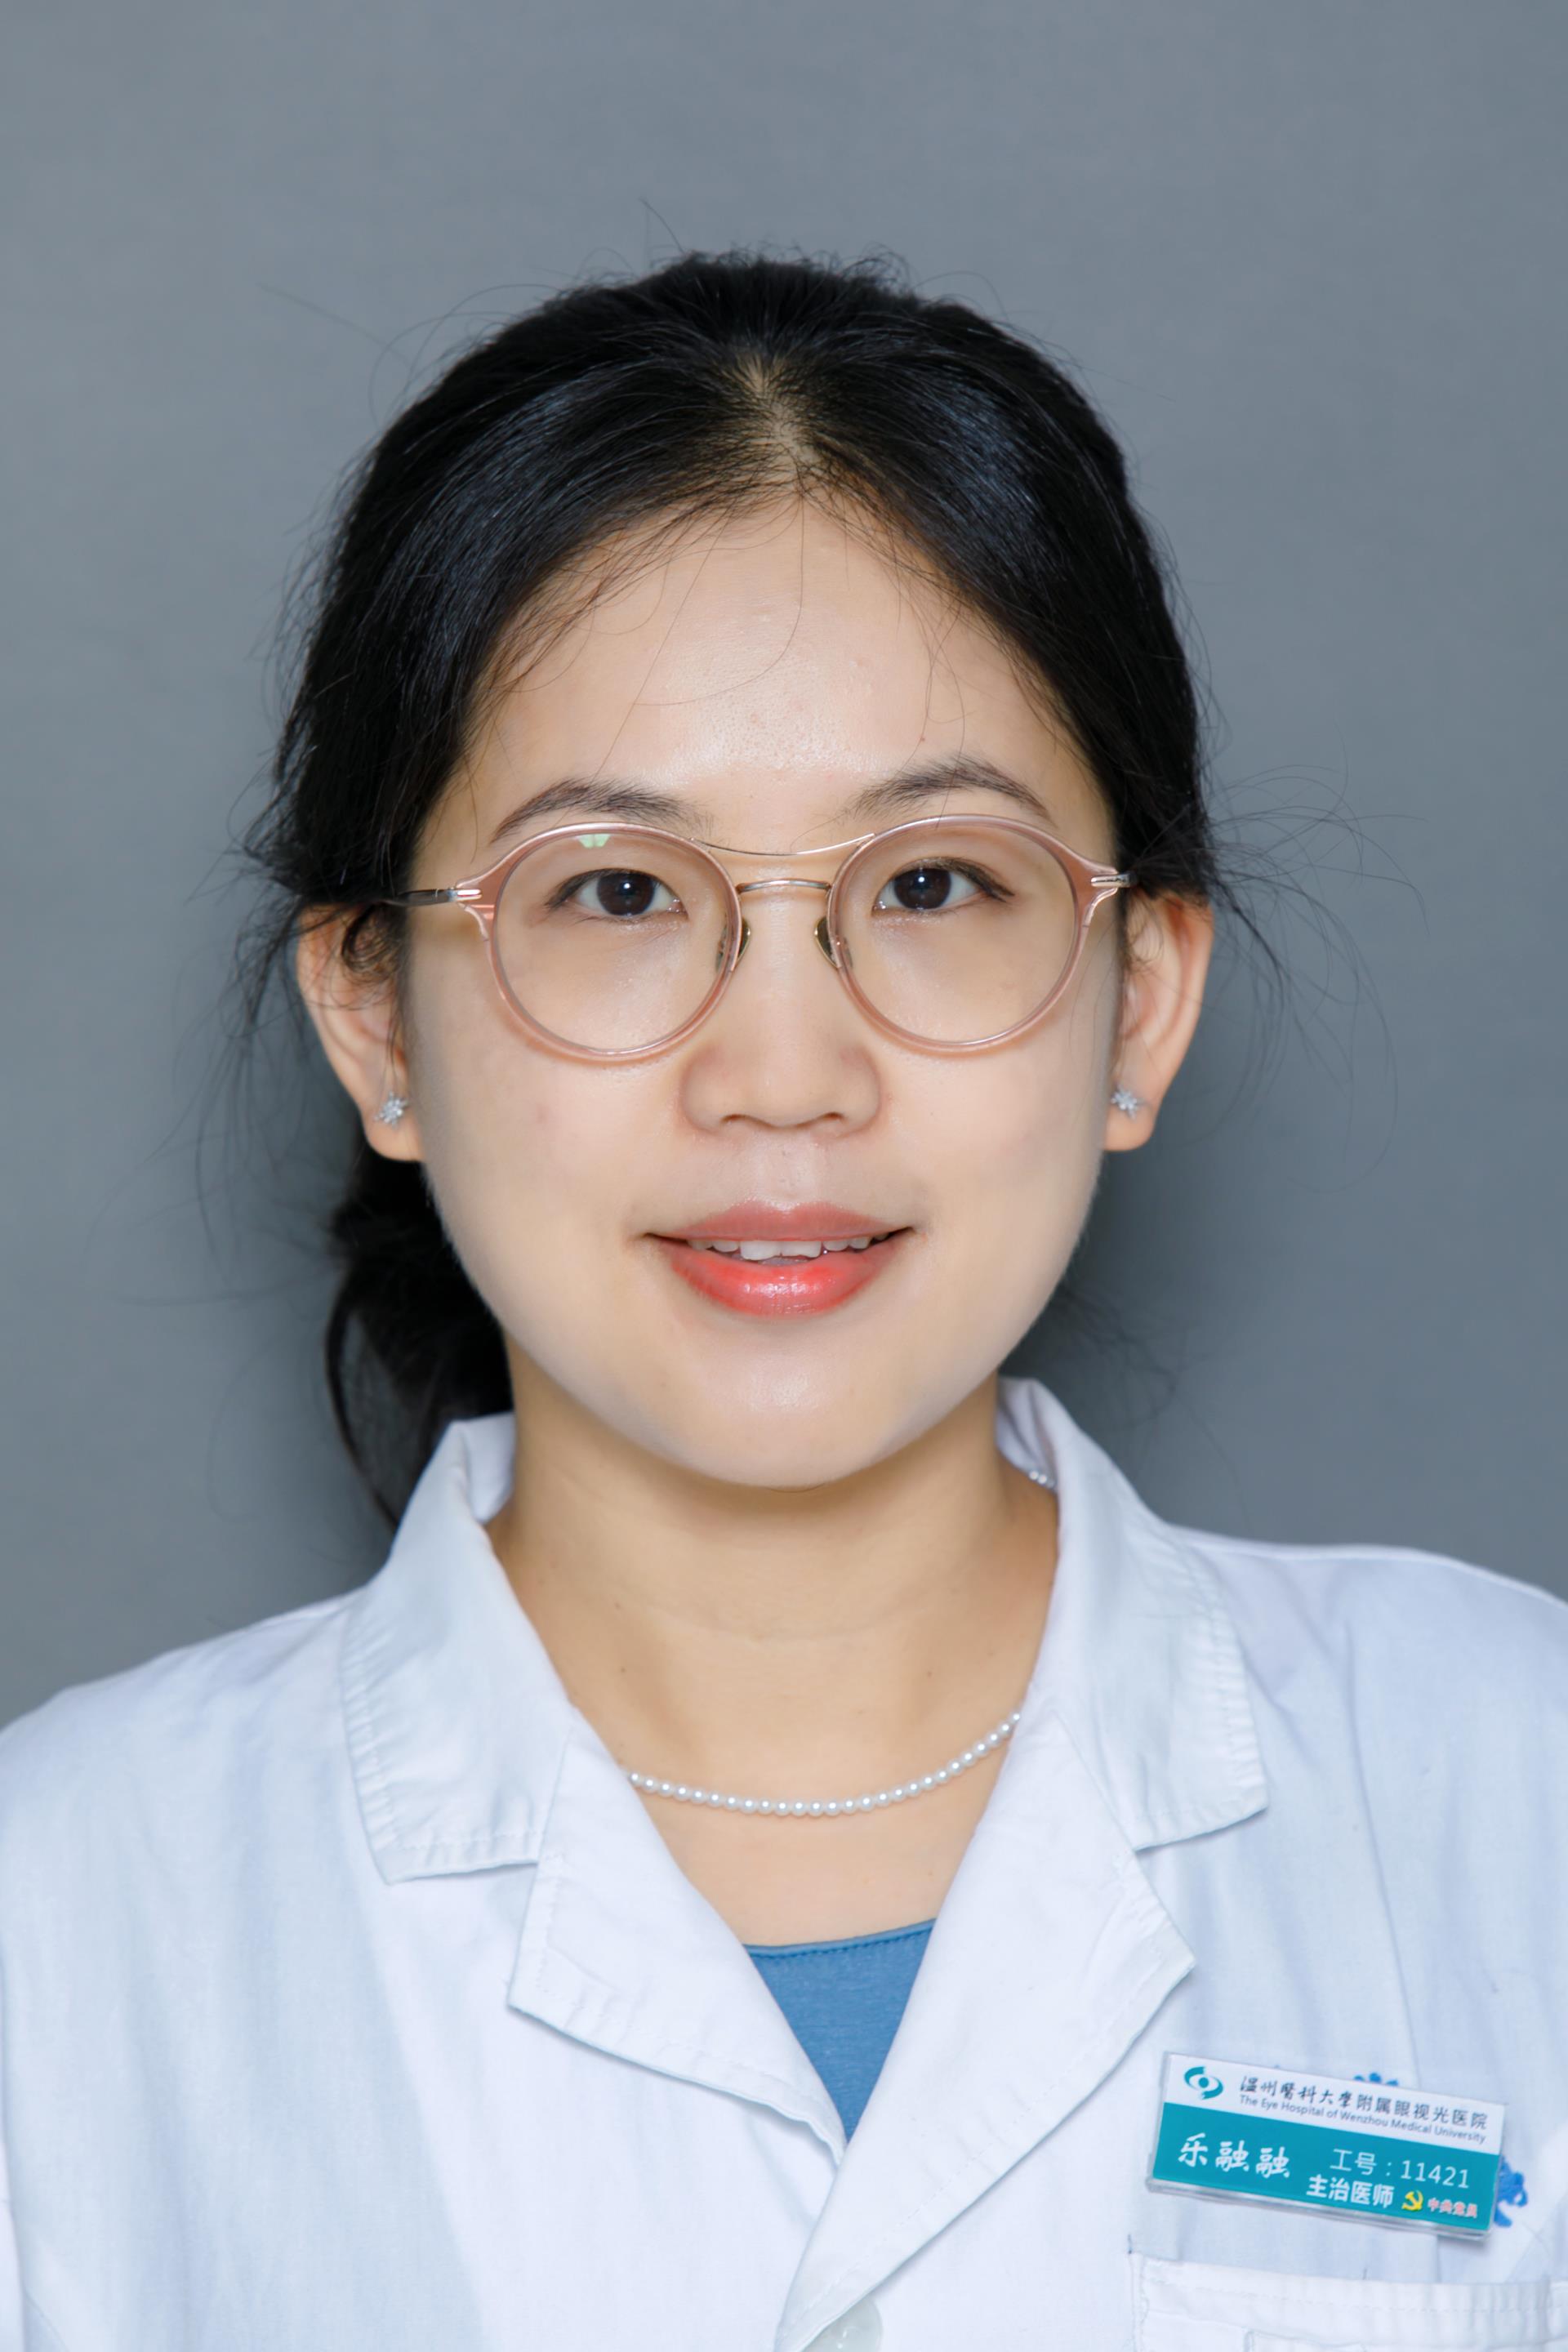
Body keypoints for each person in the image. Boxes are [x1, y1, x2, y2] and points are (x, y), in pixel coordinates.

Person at [1, 252, 1564, 2352]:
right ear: (374, 1020)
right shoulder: (59, 1923)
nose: (782, 1073)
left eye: (931, 885)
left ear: (1141, 1004)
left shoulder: (1515, 1789)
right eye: (615, 893)